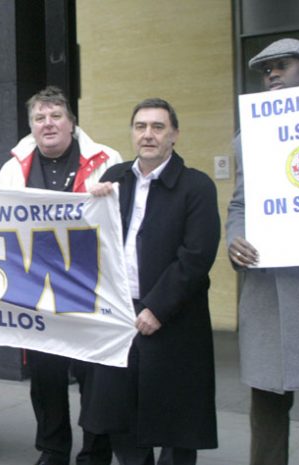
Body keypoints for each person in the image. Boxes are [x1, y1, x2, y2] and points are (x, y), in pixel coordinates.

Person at [83, 98, 220, 465]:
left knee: (177, 420)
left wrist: (158, 307)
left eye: (158, 127)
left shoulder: (197, 186)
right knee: (120, 415)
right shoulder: (114, 177)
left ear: (174, 135)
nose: (148, 134)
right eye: (140, 126)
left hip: (174, 318)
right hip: (119, 315)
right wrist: (90, 203)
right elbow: (91, 238)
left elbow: (196, 255)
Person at [0, 86, 120, 465]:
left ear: (71, 122)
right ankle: (53, 449)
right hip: (38, 289)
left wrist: (111, 194)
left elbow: (124, 214)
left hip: (90, 287)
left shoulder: (106, 160)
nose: (47, 124)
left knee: (92, 375)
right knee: (46, 377)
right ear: (31, 126)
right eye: (39, 118)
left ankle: (95, 451)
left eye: (55, 116)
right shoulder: (13, 167)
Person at [226, 38, 299, 465]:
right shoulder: (251, 135)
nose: (272, 74)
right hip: (270, 285)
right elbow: (241, 201)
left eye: (281, 65)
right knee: (268, 402)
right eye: (265, 70)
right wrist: (235, 239)